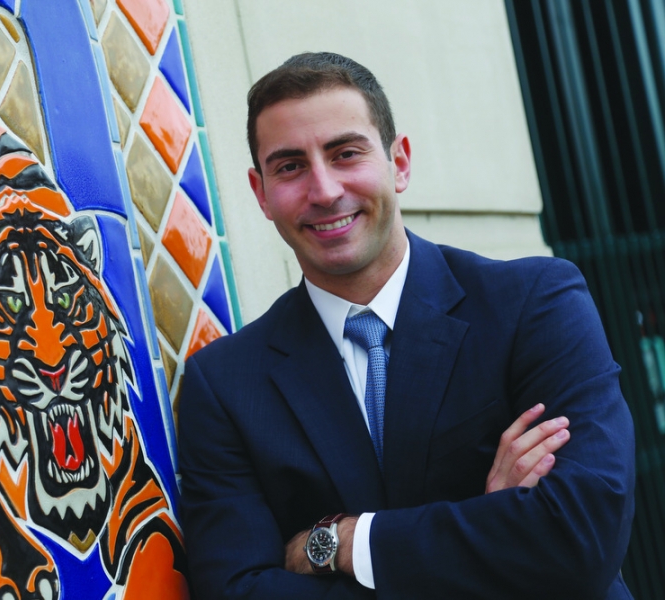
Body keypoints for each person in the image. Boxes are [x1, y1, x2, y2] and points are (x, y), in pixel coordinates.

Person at [177, 52, 635, 599]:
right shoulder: (225, 385)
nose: (323, 191)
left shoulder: (536, 302)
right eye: (290, 166)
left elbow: (580, 538)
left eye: (346, 153)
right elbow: (240, 594)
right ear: (261, 193)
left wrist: (342, 542)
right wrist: (491, 528)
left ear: (400, 163)